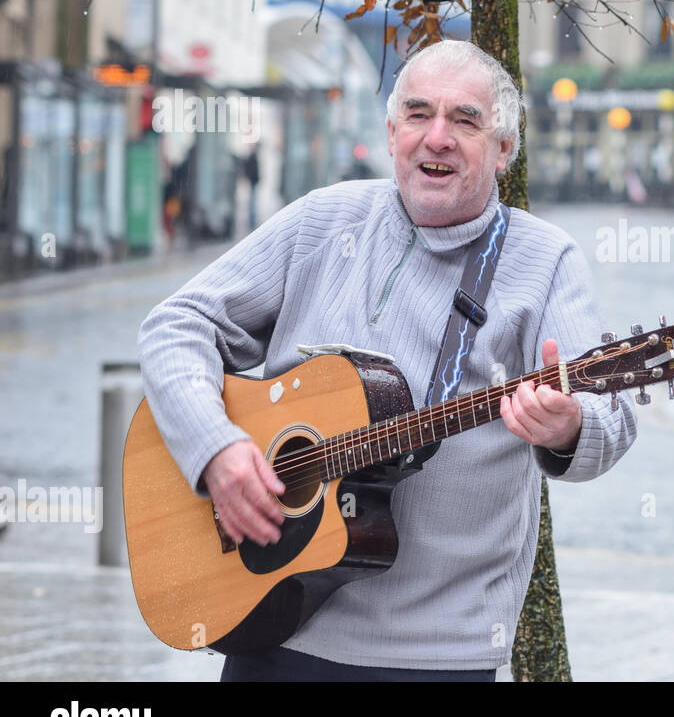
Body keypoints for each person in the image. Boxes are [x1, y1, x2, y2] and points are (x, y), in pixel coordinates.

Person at [137, 39, 637, 681]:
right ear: (392, 128)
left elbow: (611, 419)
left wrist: (570, 427)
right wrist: (215, 449)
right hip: (268, 619)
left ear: (505, 150)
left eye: (465, 120)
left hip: (438, 654)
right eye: (419, 114)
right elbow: (177, 323)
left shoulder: (546, 261)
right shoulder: (323, 219)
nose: (438, 138)